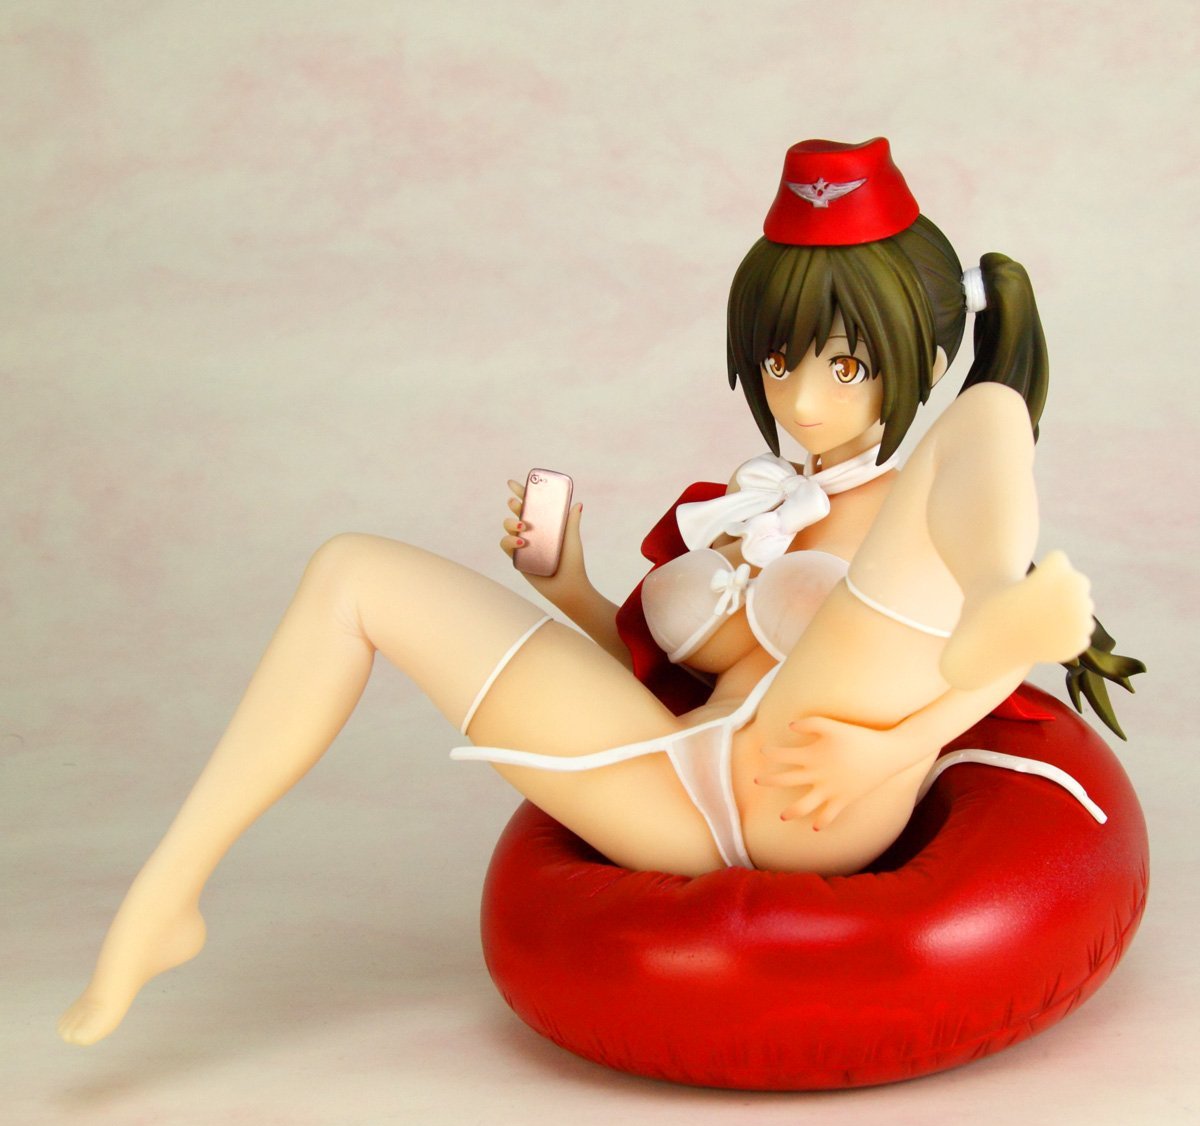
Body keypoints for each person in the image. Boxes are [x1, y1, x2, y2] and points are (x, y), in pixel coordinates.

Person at [58, 138, 1134, 1048]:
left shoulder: (915, 509)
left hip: (819, 792)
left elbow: (980, 679)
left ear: (922, 357)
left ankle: (998, 596)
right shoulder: (744, 513)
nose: (802, 401)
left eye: (845, 368)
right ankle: (167, 895)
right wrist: (570, 589)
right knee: (351, 571)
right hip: (671, 786)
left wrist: (893, 752)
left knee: (991, 414)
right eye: (779, 361)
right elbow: (670, 679)